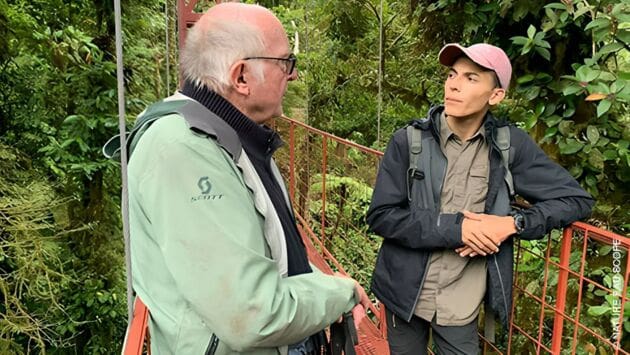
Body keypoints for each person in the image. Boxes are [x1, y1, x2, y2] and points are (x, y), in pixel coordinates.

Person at [125, 3, 370, 355]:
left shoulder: (234, 135)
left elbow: (269, 246)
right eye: (286, 63)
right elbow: (252, 314)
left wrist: (321, 285)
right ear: (241, 77)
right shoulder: (183, 149)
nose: (293, 75)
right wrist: (339, 294)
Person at [366, 43, 594, 354]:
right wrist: (456, 229)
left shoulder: (510, 147)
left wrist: (513, 224)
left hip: (462, 302)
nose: (454, 85)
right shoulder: (408, 141)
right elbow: (381, 215)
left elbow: (576, 200)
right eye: (451, 74)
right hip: (402, 294)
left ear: (496, 95)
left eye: (471, 78)